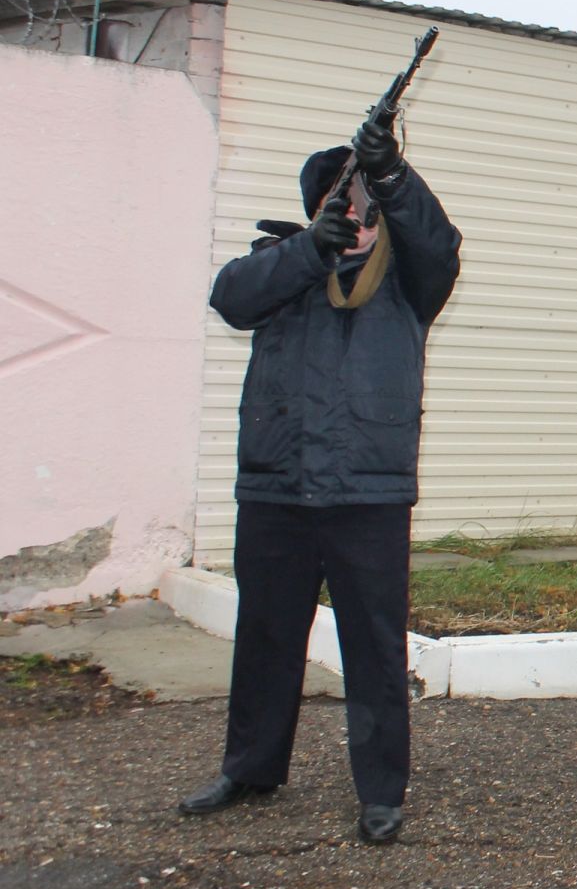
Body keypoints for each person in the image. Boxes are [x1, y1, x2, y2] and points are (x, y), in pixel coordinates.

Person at [180, 116, 462, 842]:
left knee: (374, 646)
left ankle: (381, 793)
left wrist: (393, 175)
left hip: (368, 492)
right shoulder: (280, 267)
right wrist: (312, 249)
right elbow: (229, 297)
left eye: (372, 211)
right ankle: (250, 768)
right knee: (267, 639)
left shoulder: (408, 281)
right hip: (276, 488)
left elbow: (441, 244)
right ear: (317, 212)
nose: (360, 223)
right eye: (347, 208)